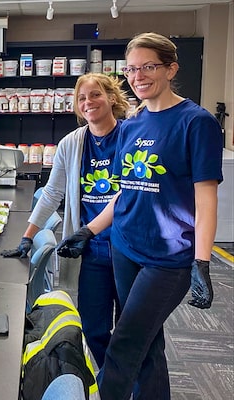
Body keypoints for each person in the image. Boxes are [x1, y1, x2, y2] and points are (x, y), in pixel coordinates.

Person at [56, 32, 223, 400]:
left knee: (125, 342)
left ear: (171, 69)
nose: (138, 76)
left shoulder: (196, 122)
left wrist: (202, 261)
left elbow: (206, 197)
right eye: (131, 69)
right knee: (147, 344)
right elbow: (125, 191)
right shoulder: (132, 124)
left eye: (148, 67)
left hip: (168, 258)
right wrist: (88, 230)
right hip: (125, 247)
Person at [1, 73, 129, 368]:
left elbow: (133, 191)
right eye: (82, 98)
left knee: (129, 330)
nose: (88, 102)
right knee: (93, 328)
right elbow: (52, 193)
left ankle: (123, 382)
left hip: (128, 249)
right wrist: (27, 236)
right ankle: (111, 378)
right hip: (91, 251)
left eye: (95, 95)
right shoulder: (71, 143)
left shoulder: (131, 135)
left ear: (111, 98)